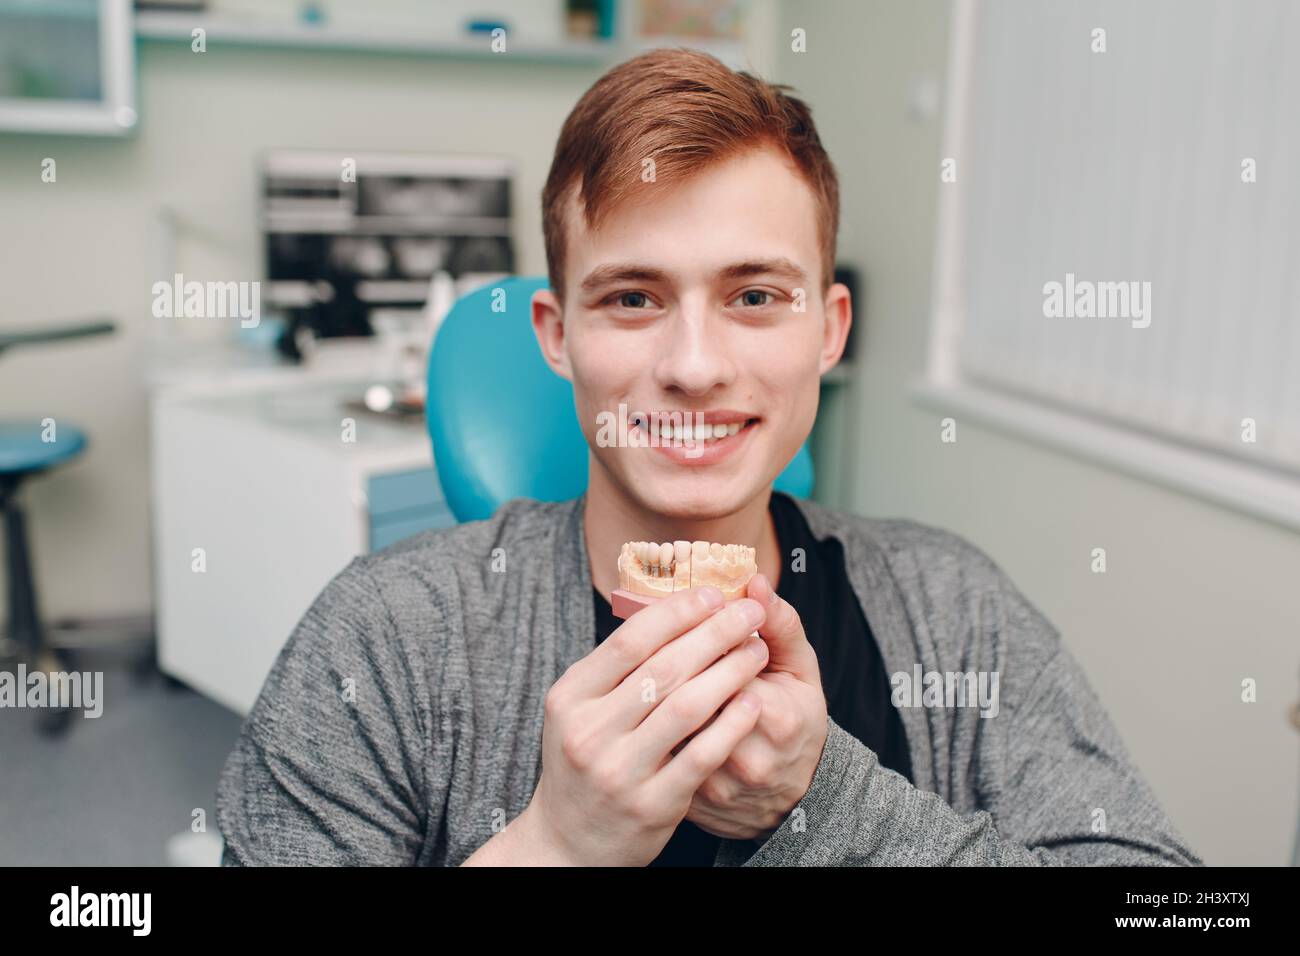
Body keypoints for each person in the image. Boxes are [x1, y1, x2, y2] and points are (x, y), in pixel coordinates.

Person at [215, 48, 1200, 867]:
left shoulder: (955, 608)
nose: (694, 366)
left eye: (755, 295)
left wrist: (828, 804)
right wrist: (552, 845)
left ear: (829, 329)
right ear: (556, 337)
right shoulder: (385, 642)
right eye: (633, 297)